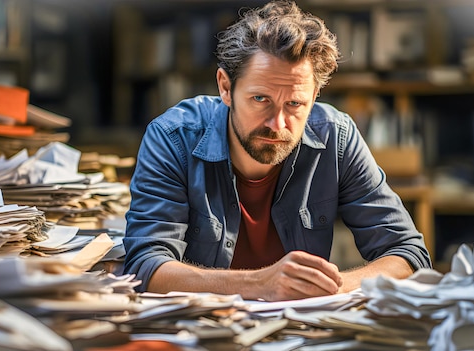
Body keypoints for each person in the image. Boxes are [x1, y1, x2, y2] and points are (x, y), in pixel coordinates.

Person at [123, 0, 431, 302]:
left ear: (314, 96)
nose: (277, 123)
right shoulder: (173, 138)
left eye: (295, 104)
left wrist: (332, 288)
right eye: (260, 99)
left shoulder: (337, 137)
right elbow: (146, 269)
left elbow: (408, 254)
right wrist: (259, 284)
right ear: (225, 88)